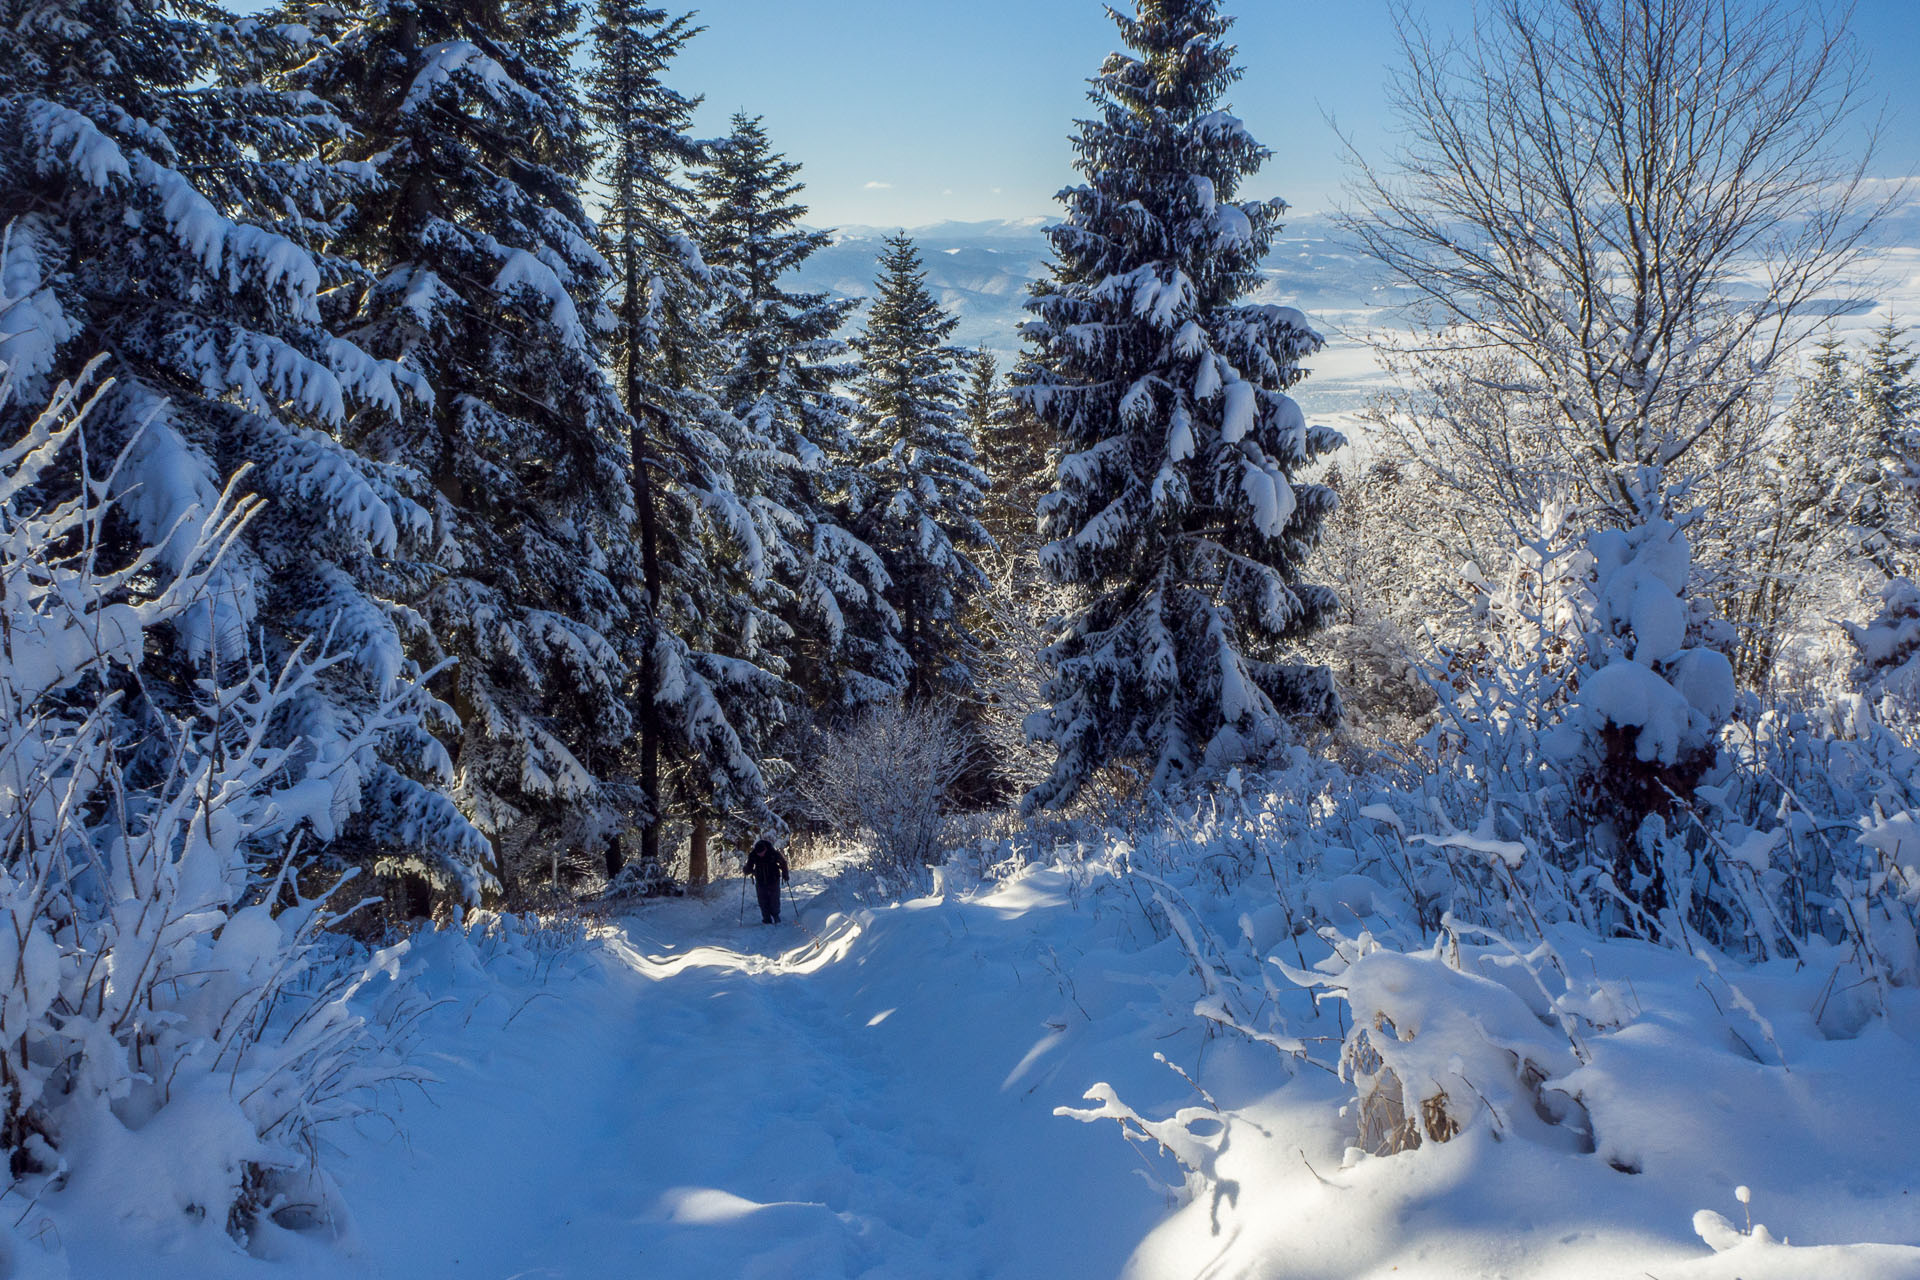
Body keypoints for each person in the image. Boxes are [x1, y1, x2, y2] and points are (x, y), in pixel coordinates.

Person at [743, 838, 789, 925]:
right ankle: (766, 918)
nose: (760, 855)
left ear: (765, 849)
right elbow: (749, 866)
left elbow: (783, 863)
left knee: (774, 898)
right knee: (762, 900)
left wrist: (785, 874)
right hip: (760, 879)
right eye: (758, 853)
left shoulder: (773, 853)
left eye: (761, 853)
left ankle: (775, 915)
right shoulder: (753, 855)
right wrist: (746, 870)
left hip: (773, 878)